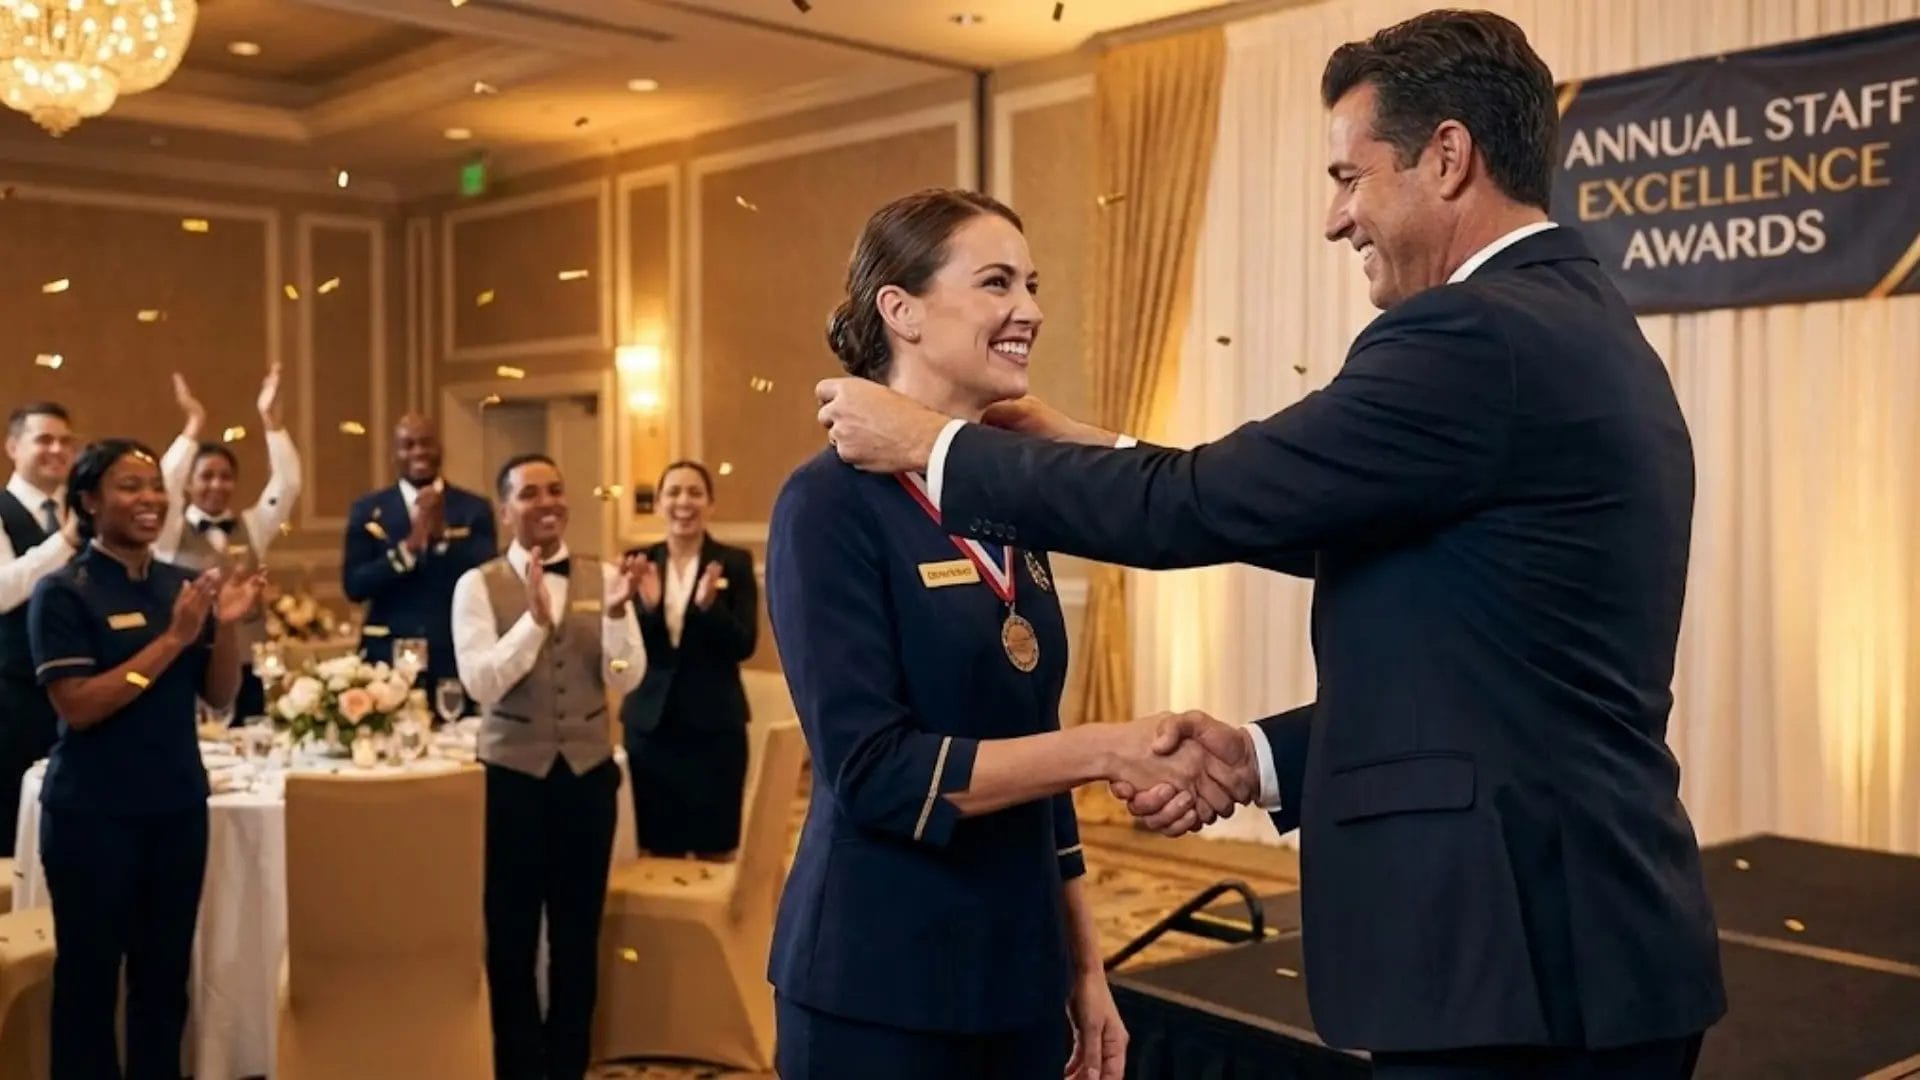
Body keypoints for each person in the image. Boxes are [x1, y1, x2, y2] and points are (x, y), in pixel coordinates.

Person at [811, 12, 1725, 1079]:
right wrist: (1259, 756)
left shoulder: (1475, 334)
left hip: (1517, 962)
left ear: (1446, 157)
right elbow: (1472, 654)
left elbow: (1208, 504)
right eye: (995, 284)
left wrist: (940, 448)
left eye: (1349, 175)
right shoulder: (1576, 322)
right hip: (1582, 944)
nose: (1338, 219)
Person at [769, 189, 1240, 1080]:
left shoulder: (1002, 492)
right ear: (899, 310)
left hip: (1020, 973)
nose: (1029, 310)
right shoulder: (825, 505)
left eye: (1031, 284)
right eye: (996, 283)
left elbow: (1031, 751)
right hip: (881, 982)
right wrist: (1104, 748)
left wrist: (1084, 964)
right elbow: (873, 773)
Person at [28, 437, 263, 1079]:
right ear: (88, 499)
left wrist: (227, 626)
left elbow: (217, 697)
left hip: (177, 808)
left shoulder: (181, 585)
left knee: (164, 987)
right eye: (130, 486)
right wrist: (174, 640)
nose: (151, 499)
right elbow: (80, 705)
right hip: (93, 816)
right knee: (89, 987)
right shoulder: (63, 593)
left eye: (156, 484)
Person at [451, 452, 647, 1080]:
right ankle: (517, 1066)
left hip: (587, 779)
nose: (547, 502)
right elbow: (480, 683)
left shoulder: (605, 576)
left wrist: (616, 617)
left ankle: (568, 1064)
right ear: (505, 510)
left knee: (576, 934)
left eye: (556, 490)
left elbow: (626, 676)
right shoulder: (475, 586)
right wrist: (533, 625)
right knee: (510, 937)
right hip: (511, 781)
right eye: (530, 493)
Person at [620, 460, 758, 859]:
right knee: (655, 850)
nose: (684, 502)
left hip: (715, 730)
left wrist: (708, 609)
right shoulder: (639, 561)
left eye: (695, 493)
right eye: (674, 492)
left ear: (711, 504)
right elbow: (624, 650)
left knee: (715, 849)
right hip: (651, 729)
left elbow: (744, 645)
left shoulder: (734, 562)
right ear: (659, 504)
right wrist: (647, 609)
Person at [158, 366, 303, 722]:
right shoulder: (168, 530)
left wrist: (271, 422)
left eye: (225, 477)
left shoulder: (253, 526)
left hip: (249, 664)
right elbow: (164, 483)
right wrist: (194, 425)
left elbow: (288, 485)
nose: (217, 485)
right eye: (206, 476)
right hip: (188, 663)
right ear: (189, 483)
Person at [342, 412, 495, 694]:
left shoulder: (473, 509)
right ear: (394, 454)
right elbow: (354, 585)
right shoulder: (368, 510)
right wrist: (407, 551)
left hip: (453, 654)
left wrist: (441, 540)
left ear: (440, 449)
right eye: (408, 445)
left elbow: (485, 578)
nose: (419, 452)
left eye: (426, 443)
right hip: (385, 659)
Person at [0, 402, 79, 858]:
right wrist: (65, 542)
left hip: (80, 696)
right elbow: (5, 589)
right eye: (43, 440)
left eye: (66, 441)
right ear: (13, 447)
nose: (57, 449)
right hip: (16, 699)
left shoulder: (85, 510)